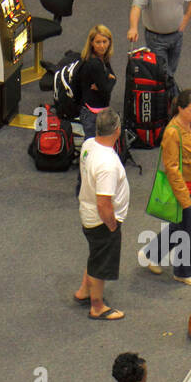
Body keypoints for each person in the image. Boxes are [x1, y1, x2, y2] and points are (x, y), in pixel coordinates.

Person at [143, 89, 191, 286]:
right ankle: (184, 271)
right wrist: (184, 199)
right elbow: (172, 169)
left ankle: (152, 254)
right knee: (187, 230)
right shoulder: (173, 132)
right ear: (180, 109)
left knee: (178, 226)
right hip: (183, 189)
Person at [74, 108, 128, 321]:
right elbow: (104, 203)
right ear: (117, 130)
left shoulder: (89, 144)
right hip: (101, 220)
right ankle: (97, 305)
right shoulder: (107, 164)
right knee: (101, 260)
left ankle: (84, 291)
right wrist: (112, 225)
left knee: (96, 252)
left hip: (87, 212)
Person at [77, 25, 116, 141]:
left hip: (95, 109)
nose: (102, 46)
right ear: (91, 43)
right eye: (98, 42)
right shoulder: (95, 63)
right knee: (92, 144)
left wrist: (106, 82)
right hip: (92, 113)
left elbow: (107, 84)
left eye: (105, 41)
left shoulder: (102, 58)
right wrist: (111, 79)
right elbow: (106, 88)